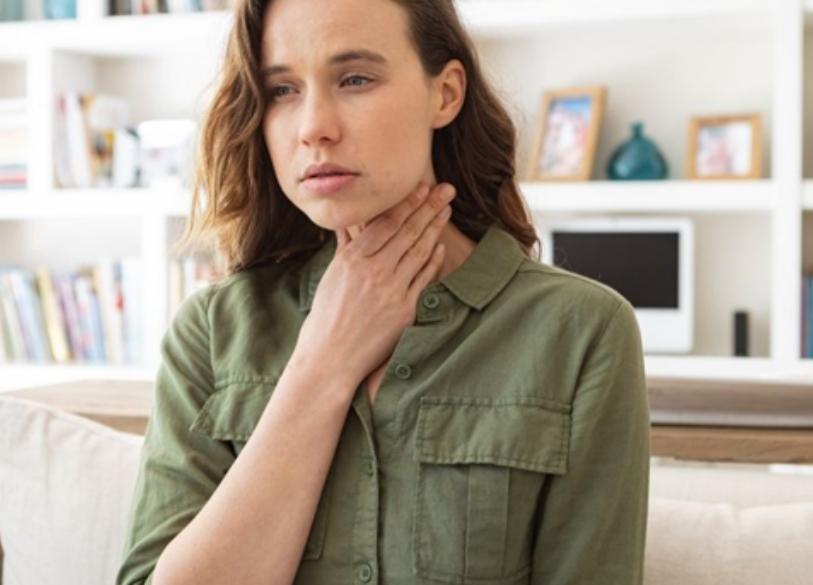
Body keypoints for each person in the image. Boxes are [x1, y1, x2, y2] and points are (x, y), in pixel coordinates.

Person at [115, 0, 650, 583]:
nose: (314, 126)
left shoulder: (581, 331)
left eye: (355, 79)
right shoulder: (213, 332)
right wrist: (324, 363)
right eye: (282, 90)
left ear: (445, 94)